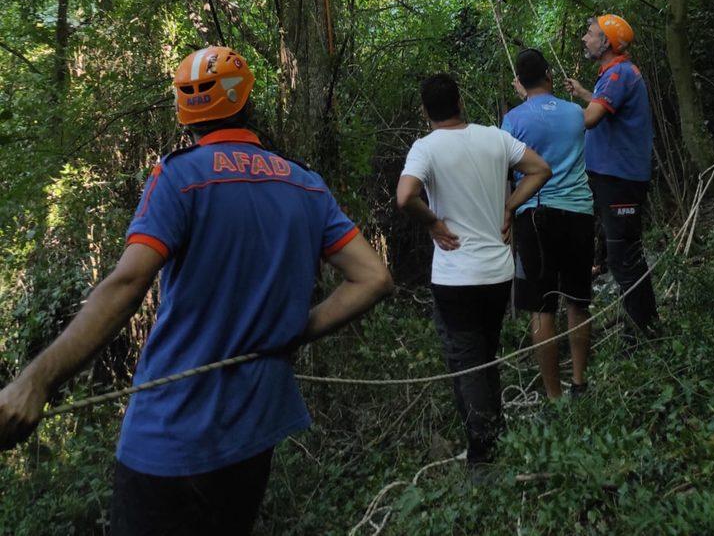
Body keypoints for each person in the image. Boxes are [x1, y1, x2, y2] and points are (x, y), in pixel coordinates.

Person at [0, 45, 393, 535]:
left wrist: (35, 380)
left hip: (170, 437)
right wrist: (298, 330)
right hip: (254, 430)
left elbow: (126, 284)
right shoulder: (305, 184)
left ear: (186, 114)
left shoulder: (179, 178)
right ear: (248, 100)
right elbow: (374, 277)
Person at [396, 73, 550, 479]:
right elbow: (540, 168)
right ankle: (491, 436)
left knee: (467, 362)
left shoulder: (426, 147)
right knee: (484, 354)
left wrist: (432, 223)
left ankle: (483, 457)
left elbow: (405, 195)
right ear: (460, 102)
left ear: (426, 111)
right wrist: (509, 205)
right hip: (498, 272)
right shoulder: (494, 137)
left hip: (456, 276)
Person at [502, 49, 594, 400]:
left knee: (542, 307)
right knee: (577, 301)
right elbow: (557, 116)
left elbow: (510, 165)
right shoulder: (575, 113)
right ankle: (580, 382)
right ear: (549, 76)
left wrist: (507, 210)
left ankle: (554, 397)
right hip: (579, 213)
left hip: (536, 216)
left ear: (521, 84)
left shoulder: (513, 120)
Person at [565, 14, 658, 337]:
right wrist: (583, 94)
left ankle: (645, 332)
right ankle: (641, 328)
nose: (584, 39)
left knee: (625, 257)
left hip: (620, 180)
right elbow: (605, 107)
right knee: (621, 254)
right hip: (615, 178)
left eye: (590, 33)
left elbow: (591, 120)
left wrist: (552, 111)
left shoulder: (618, 74)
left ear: (606, 42)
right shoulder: (617, 73)